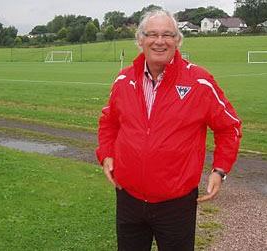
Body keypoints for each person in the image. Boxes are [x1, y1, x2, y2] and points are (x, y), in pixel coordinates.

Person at [96, 10, 242, 251]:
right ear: (140, 39)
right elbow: (109, 123)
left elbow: (229, 127)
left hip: (176, 204)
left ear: (178, 40)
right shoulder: (123, 80)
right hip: (128, 198)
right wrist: (107, 154)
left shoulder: (199, 82)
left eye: (167, 34)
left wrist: (220, 170)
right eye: (152, 34)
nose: (160, 41)